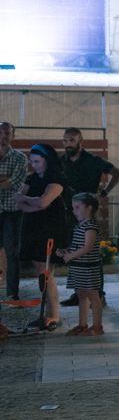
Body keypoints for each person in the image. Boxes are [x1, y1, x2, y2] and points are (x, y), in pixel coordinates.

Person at [60, 127, 119, 308]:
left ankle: (98, 295)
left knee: (91, 253)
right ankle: (79, 294)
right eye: (65, 141)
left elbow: (117, 173)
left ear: (80, 140)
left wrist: (105, 192)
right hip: (68, 211)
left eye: (72, 140)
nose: (68, 144)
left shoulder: (93, 160)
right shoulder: (61, 161)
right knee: (74, 251)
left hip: (88, 211)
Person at [14, 144, 70, 330]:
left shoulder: (56, 178)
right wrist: (35, 205)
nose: (34, 165)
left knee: (45, 273)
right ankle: (48, 314)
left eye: (37, 161)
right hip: (34, 228)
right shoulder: (32, 178)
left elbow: (44, 201)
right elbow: (19, 202)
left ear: (47, 160)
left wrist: (30, 201)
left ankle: (53, 315)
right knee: (42, 272)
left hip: (50, 230)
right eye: (32, 162)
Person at [58, 193, 104, 337]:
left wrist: (71, 256)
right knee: (81, 295)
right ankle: (82, 324)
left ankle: (97, 327)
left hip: (88, 267)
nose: (74, 211)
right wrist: (66, 251)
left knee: (93, 295)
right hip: (78, 266)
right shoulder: (80, 225)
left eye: (77, 207)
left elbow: (87, 247)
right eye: (73, 208)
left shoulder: (91, 226)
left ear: (89, 208)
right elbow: (78, 246)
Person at [0, 122, 28, 301]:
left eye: (7, 133)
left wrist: (8, 181)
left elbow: (16, 183)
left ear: (13, 136)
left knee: (12, 253)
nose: (3, 136)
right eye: (0, 132)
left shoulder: (20, 157)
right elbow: (9, 181)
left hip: (12, 212)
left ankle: (12, 293)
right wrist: (5, 178)